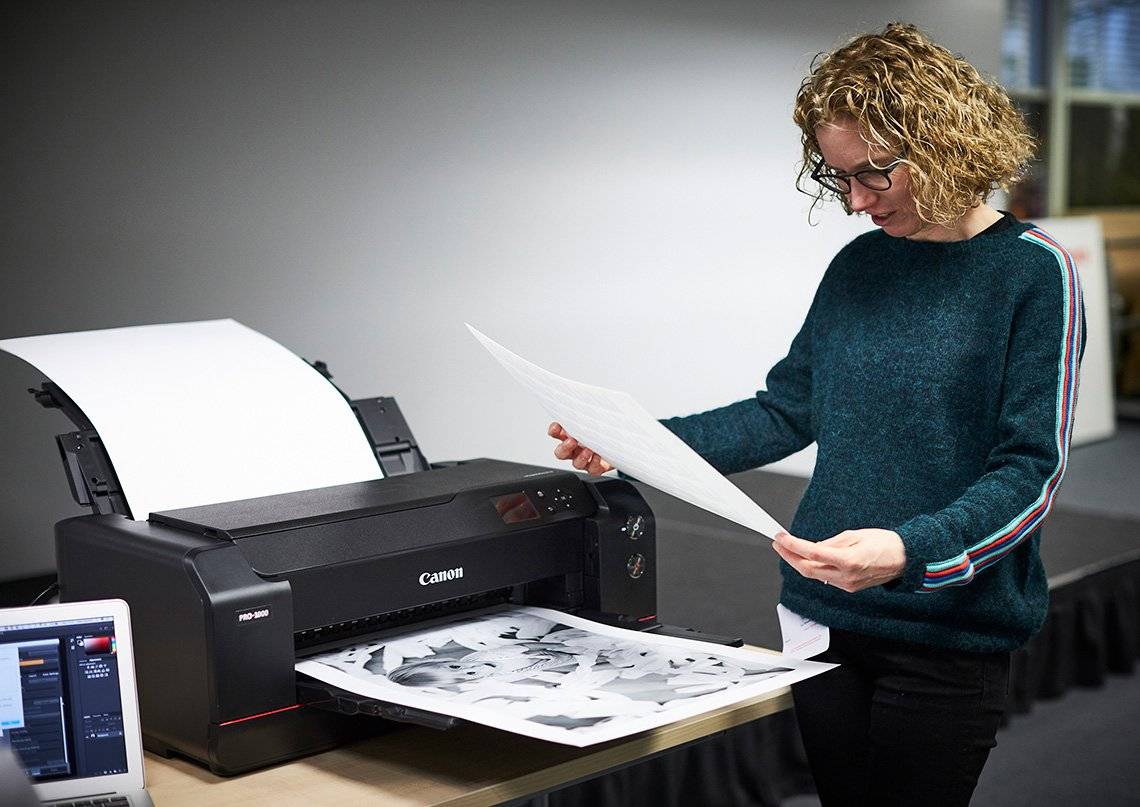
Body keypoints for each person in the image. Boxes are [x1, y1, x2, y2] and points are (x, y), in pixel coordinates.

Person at [547, 22, 1084, 807]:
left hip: (944, 629)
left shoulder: (1033, 275)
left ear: (948, 146)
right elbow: (783, 410)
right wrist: (634, 445)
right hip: (819, 615)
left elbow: (1032, 472)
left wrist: (910, 549)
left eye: (875, 174)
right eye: (839, 179)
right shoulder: (859, 263)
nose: (856, 201)